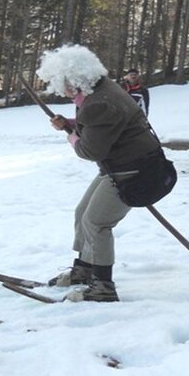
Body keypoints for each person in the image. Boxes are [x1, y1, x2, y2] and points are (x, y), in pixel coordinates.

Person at [37, 45, 165, 302]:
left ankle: (103, 287)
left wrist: (72, 136)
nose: (61, 90)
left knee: (96, 222)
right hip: (119, 165)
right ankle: (84, 270)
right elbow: (104, 126)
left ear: (74, 79)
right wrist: (72, 124)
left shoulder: (98, 103)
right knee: (82, 213)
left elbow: (90, 150)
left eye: (61, 83)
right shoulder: (100, 89)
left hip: (135, 169)